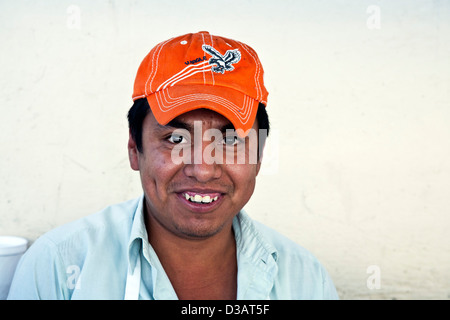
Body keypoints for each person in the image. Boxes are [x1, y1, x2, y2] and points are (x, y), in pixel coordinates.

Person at [8, 31, 338, 300]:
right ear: (134, 150)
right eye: (176, 140)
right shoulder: (58, 267)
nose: (203, 169)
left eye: (231, 141)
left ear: (259, 157)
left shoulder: (305, 280)